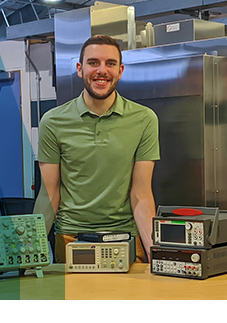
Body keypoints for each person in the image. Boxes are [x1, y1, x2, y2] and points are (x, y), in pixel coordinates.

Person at [36, 34, 160, 263]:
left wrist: (156, 254)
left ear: (120, 70)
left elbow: (141, 193)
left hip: (126, 238)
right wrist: (30, 254)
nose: (102, 70)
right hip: (71, 238)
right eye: (93, 62)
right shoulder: (53, 122)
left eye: (110, 63)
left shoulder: (144, 119)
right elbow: (49, 194)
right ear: (80, 69)